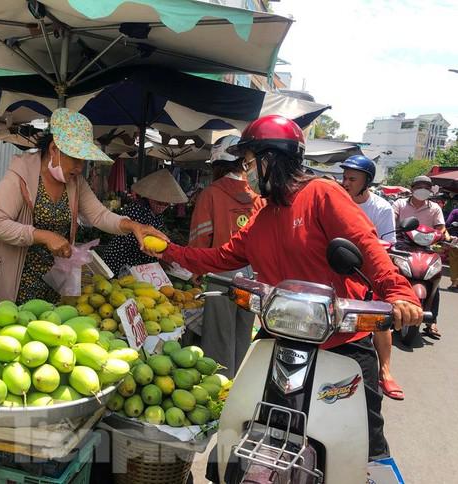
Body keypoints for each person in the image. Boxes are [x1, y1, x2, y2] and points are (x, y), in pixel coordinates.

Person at [149, 115, 422, 463]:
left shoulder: (322, 194)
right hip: (281, 335)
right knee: (251, 418)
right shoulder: (262, 216)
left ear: (270, 159)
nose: (246, 171)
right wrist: (168, 248)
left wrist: (398, 292)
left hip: (341, 339)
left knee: (366, 442)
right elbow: (219, 257)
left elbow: (366, 246)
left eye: (249, 162)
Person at [0, 108, 166, 304]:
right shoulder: (20, 176)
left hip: (54, 284)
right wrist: (43, 236)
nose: (80, 167)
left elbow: (99, 216)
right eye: (75, 158)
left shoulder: (75, 182)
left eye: (83, 160)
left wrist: (133, 226)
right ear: (54, 149)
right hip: (15, 283)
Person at [187, 135, 264, 378]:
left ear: (218, 164)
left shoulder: (210, 194)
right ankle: (237, 385)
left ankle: (219, 391)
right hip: (253, 277)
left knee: (219, 337)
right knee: (243, 334)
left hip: (221, 275)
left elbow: (200, 239)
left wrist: (195, 272)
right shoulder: (257, 198)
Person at [341, 155, 402, 401]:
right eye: (344, 178)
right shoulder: (336, 201)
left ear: (367, 181)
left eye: (352, 179)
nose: (346, 183)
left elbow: (388, 245)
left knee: (379, 317)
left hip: (367, 272)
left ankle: (385, 371)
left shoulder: (381, 208)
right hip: (337, 268)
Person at [101, 169, 187, 275]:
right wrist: (159, 258)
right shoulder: (136, 209)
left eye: (166, 204)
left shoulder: (158, 215)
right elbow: (137, 241)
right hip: (121, 258)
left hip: (140, 262)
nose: (163, 206)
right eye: (160, 202)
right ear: (151, 198)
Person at [392, 175, 447, 339]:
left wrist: (442, 236)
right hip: (402, 246)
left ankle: (432, 322)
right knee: (390, 274)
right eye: (419, 186)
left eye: (426, 186)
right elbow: (391, 220)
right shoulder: (400, 204)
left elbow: (441, 228)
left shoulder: (435, 208)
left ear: (430, 190)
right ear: (412, 187)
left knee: (434, 280)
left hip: (426, 248)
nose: (422, 189)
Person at [446, 207, 458, 291]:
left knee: (454, 262)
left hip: (456, 240)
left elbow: (448, 223)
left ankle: (454, 283)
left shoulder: (456, 211)